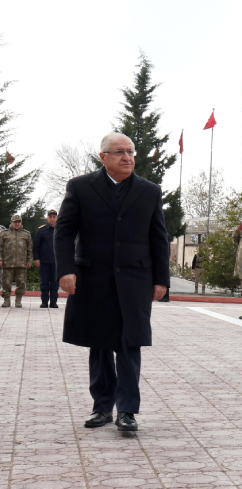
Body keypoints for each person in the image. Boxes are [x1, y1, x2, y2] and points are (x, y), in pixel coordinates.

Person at [54, 132, 169, 432]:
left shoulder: (149, 191)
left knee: (130, 343)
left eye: (130, 152)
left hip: (135, 280)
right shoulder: (80, 187)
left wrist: (161, 279)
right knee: (100, 343)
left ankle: (127, 410)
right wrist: (66, 270)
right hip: (93, 278)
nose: (127, 157)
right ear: (103, 157)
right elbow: (64, 232)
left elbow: (159, 238)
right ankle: (102, 407)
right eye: (119, 152)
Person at [0, 214, 33, 308]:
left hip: (21, 263)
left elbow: (30, 248)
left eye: (18, 222)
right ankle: (6, 300)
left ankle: (18, 300)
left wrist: (30, 260)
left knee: (21, 282)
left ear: (21, 222)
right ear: (11, 222)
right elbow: (0, 248)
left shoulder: (26, 234)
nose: (17, 224)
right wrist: (1, 259)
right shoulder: (4, 234)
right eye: (15, 222)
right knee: (6, 283)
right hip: (7, 262)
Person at [34, 209, 60, 308]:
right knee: (44, 282)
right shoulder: (41, 230)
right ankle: (44, 301)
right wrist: (36, 258)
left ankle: (53, 301)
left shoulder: (60, 229)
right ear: (47, 218)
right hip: (44, 261)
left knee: (54, 283)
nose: (52, 219)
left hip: (56, 261)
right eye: (50, 217)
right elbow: (36, 246)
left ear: (56, 218)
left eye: (54, 217)